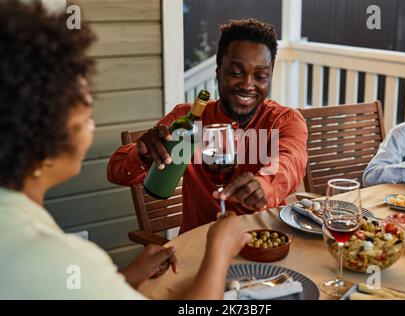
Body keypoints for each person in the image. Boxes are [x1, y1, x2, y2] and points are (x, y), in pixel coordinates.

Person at [0, 0, 250, 299]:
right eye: (86, 118)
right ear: (39, 141)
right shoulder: (53, 256)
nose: (93, 127)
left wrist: (125, 276)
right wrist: (219, 253)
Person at [107, 19, 308, 233]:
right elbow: (116, 171)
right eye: (236, 72)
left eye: (260, 76)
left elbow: (291, 161)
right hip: (199, 246)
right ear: (218, 71)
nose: (248, 84)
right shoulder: (186, 121)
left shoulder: (285, 121)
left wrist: (266, 185)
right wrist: (144, 155)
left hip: (265, 243)